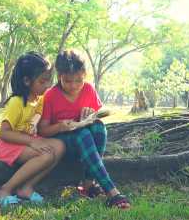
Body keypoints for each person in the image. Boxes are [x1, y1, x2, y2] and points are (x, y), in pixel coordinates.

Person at [39, 49, 131, 209]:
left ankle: (88, 183)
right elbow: (42, 130)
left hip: (86, 142)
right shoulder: (51, 95)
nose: (74, 86)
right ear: (59, 75)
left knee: (98, 128)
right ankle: (112, 192)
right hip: (62, 144)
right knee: (82, 134)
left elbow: (98, 115)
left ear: (85, 75)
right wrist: (61, 126)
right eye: (67, 81)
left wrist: (91, 115)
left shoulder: (88, 90)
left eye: (78, 80)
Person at [0, 52, 65, 208]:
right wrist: (33, 142)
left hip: (26, 140)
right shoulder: (16, 102)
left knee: (59, 146)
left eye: (48, 81)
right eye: (42, 81)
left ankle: (26, 188)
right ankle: (5, 189)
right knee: (46, 155)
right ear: (27, 81)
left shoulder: (39, 99)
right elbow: (4, 133)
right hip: (7, 143)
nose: (47, 86)